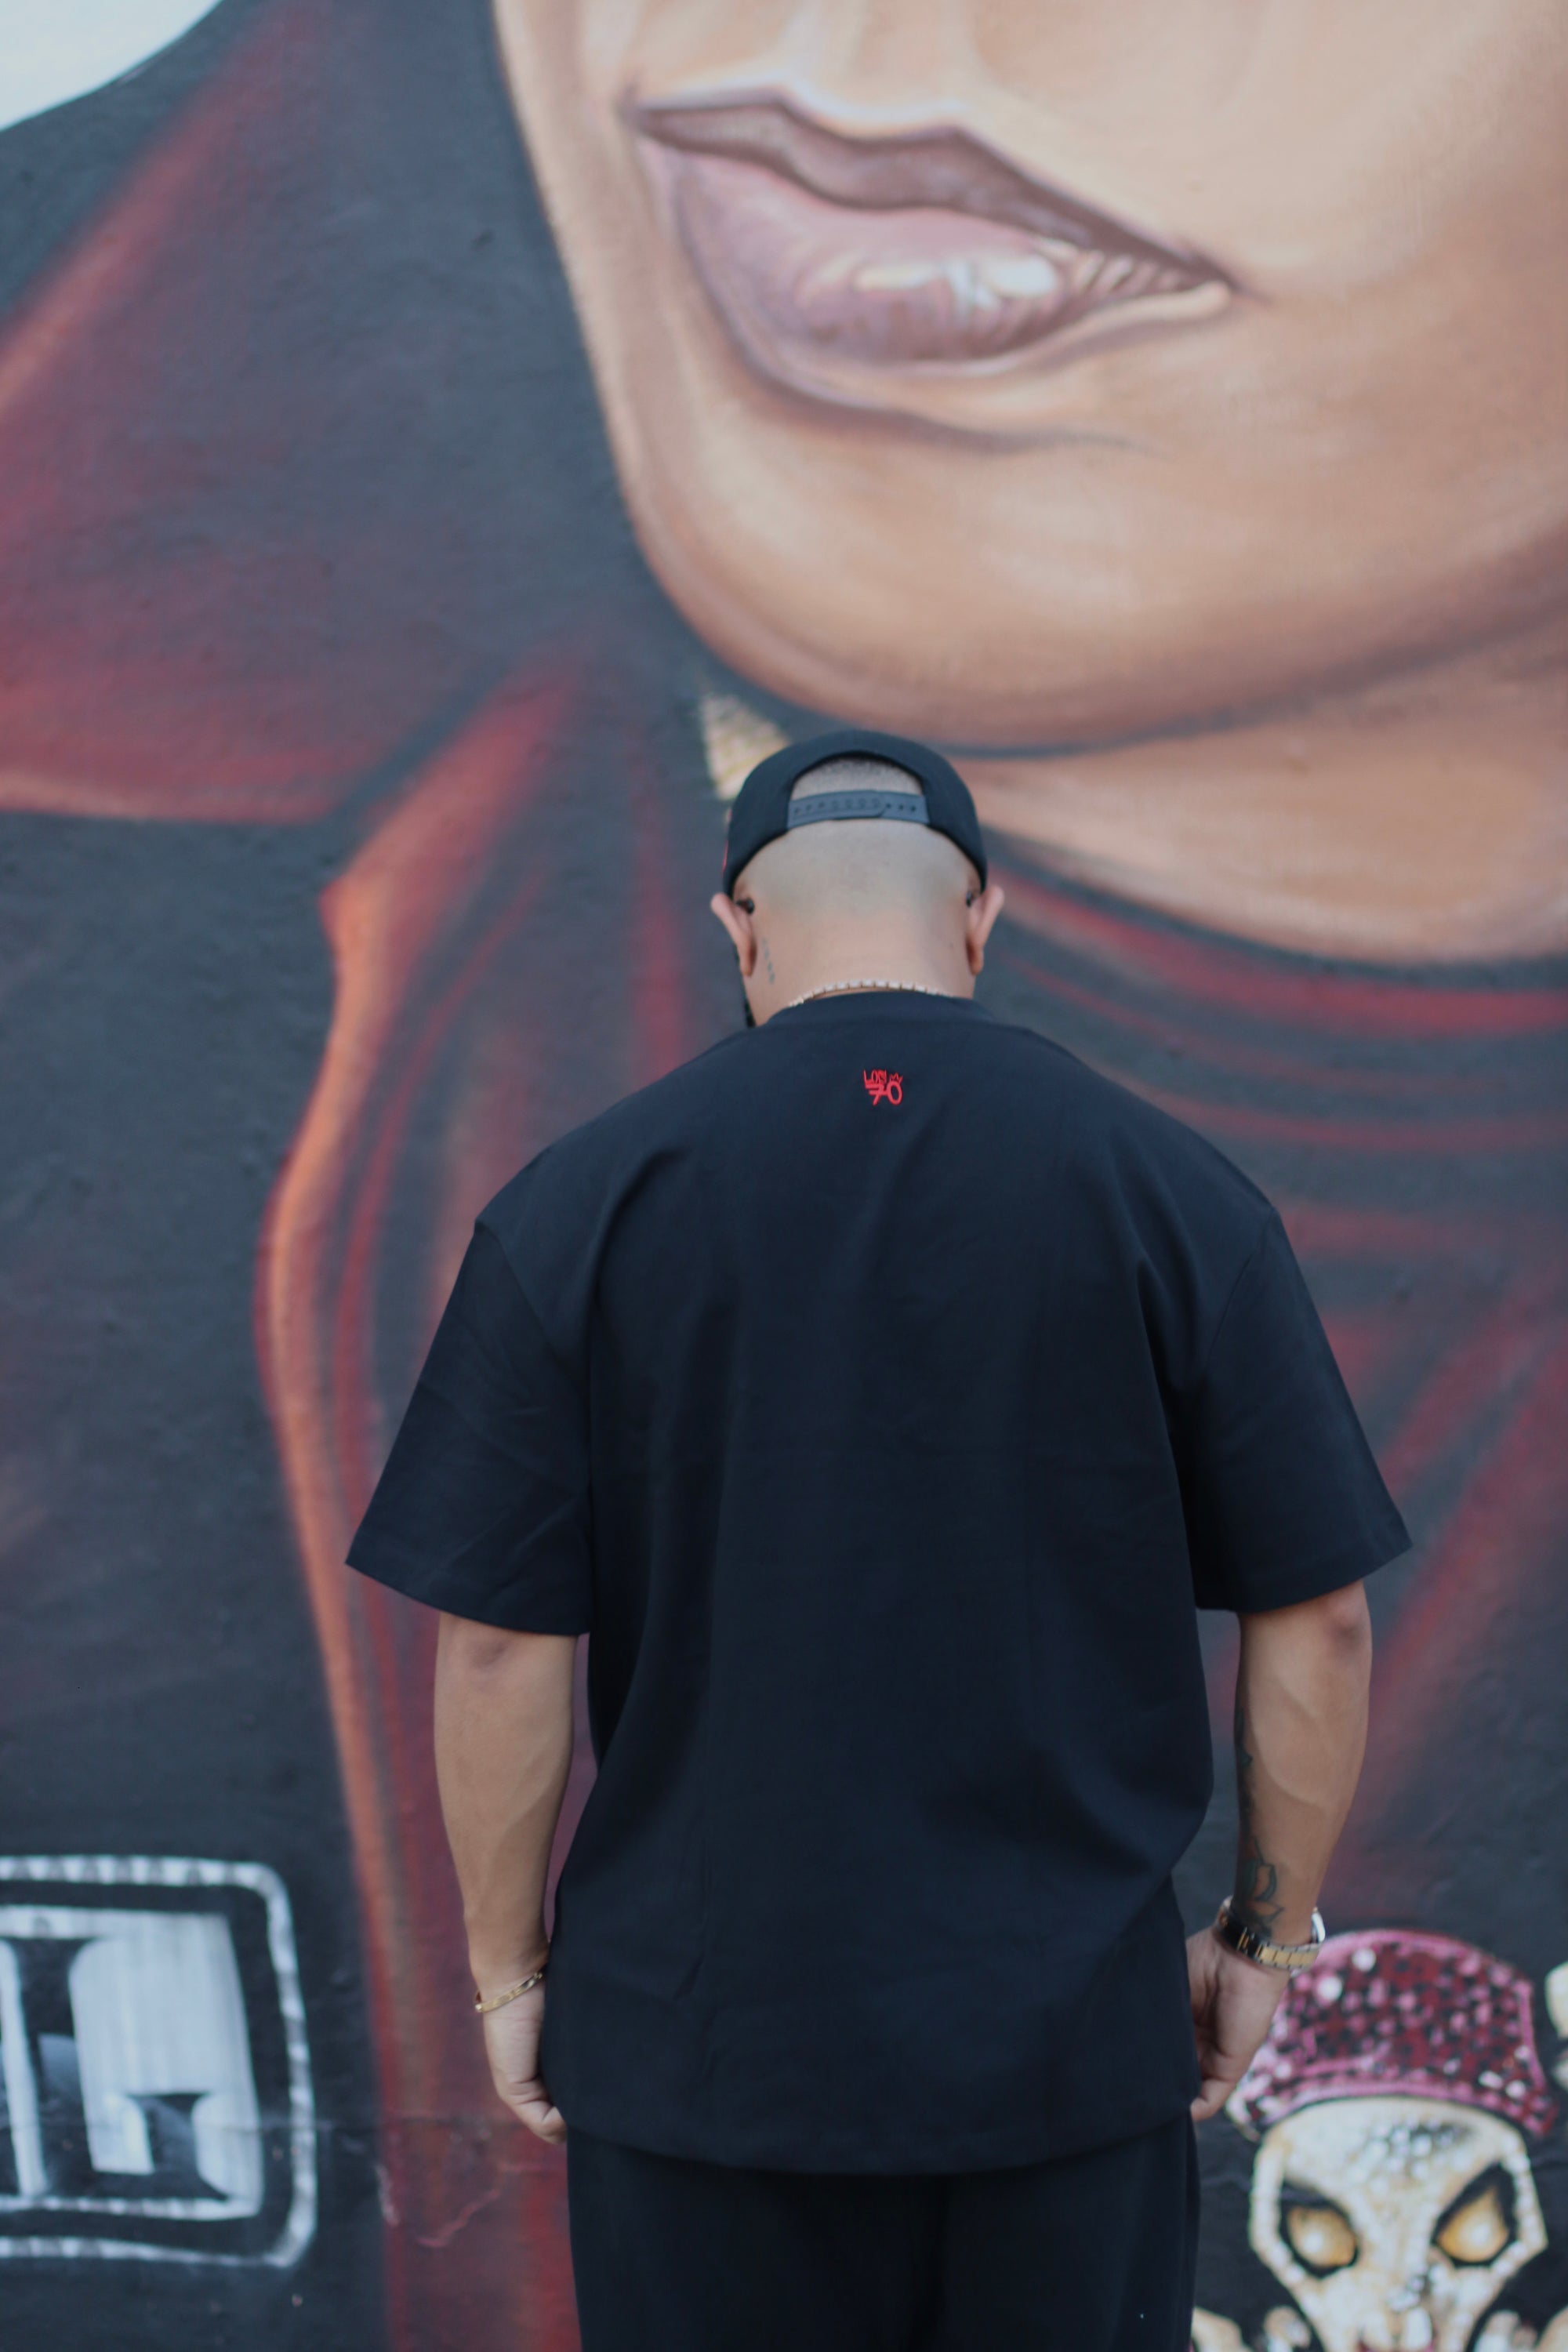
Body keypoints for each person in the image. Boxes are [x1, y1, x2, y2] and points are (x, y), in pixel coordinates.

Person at [347, 730, 1407, 2350]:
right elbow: (1315, 1620)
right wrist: (1262, 1941)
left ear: (739, 929)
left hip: (701, 2061)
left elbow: (496, 1641)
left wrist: (512, 1981)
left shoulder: (581, 1203)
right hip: (1066, 2061)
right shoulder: (1172, 1192)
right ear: (979, 917)